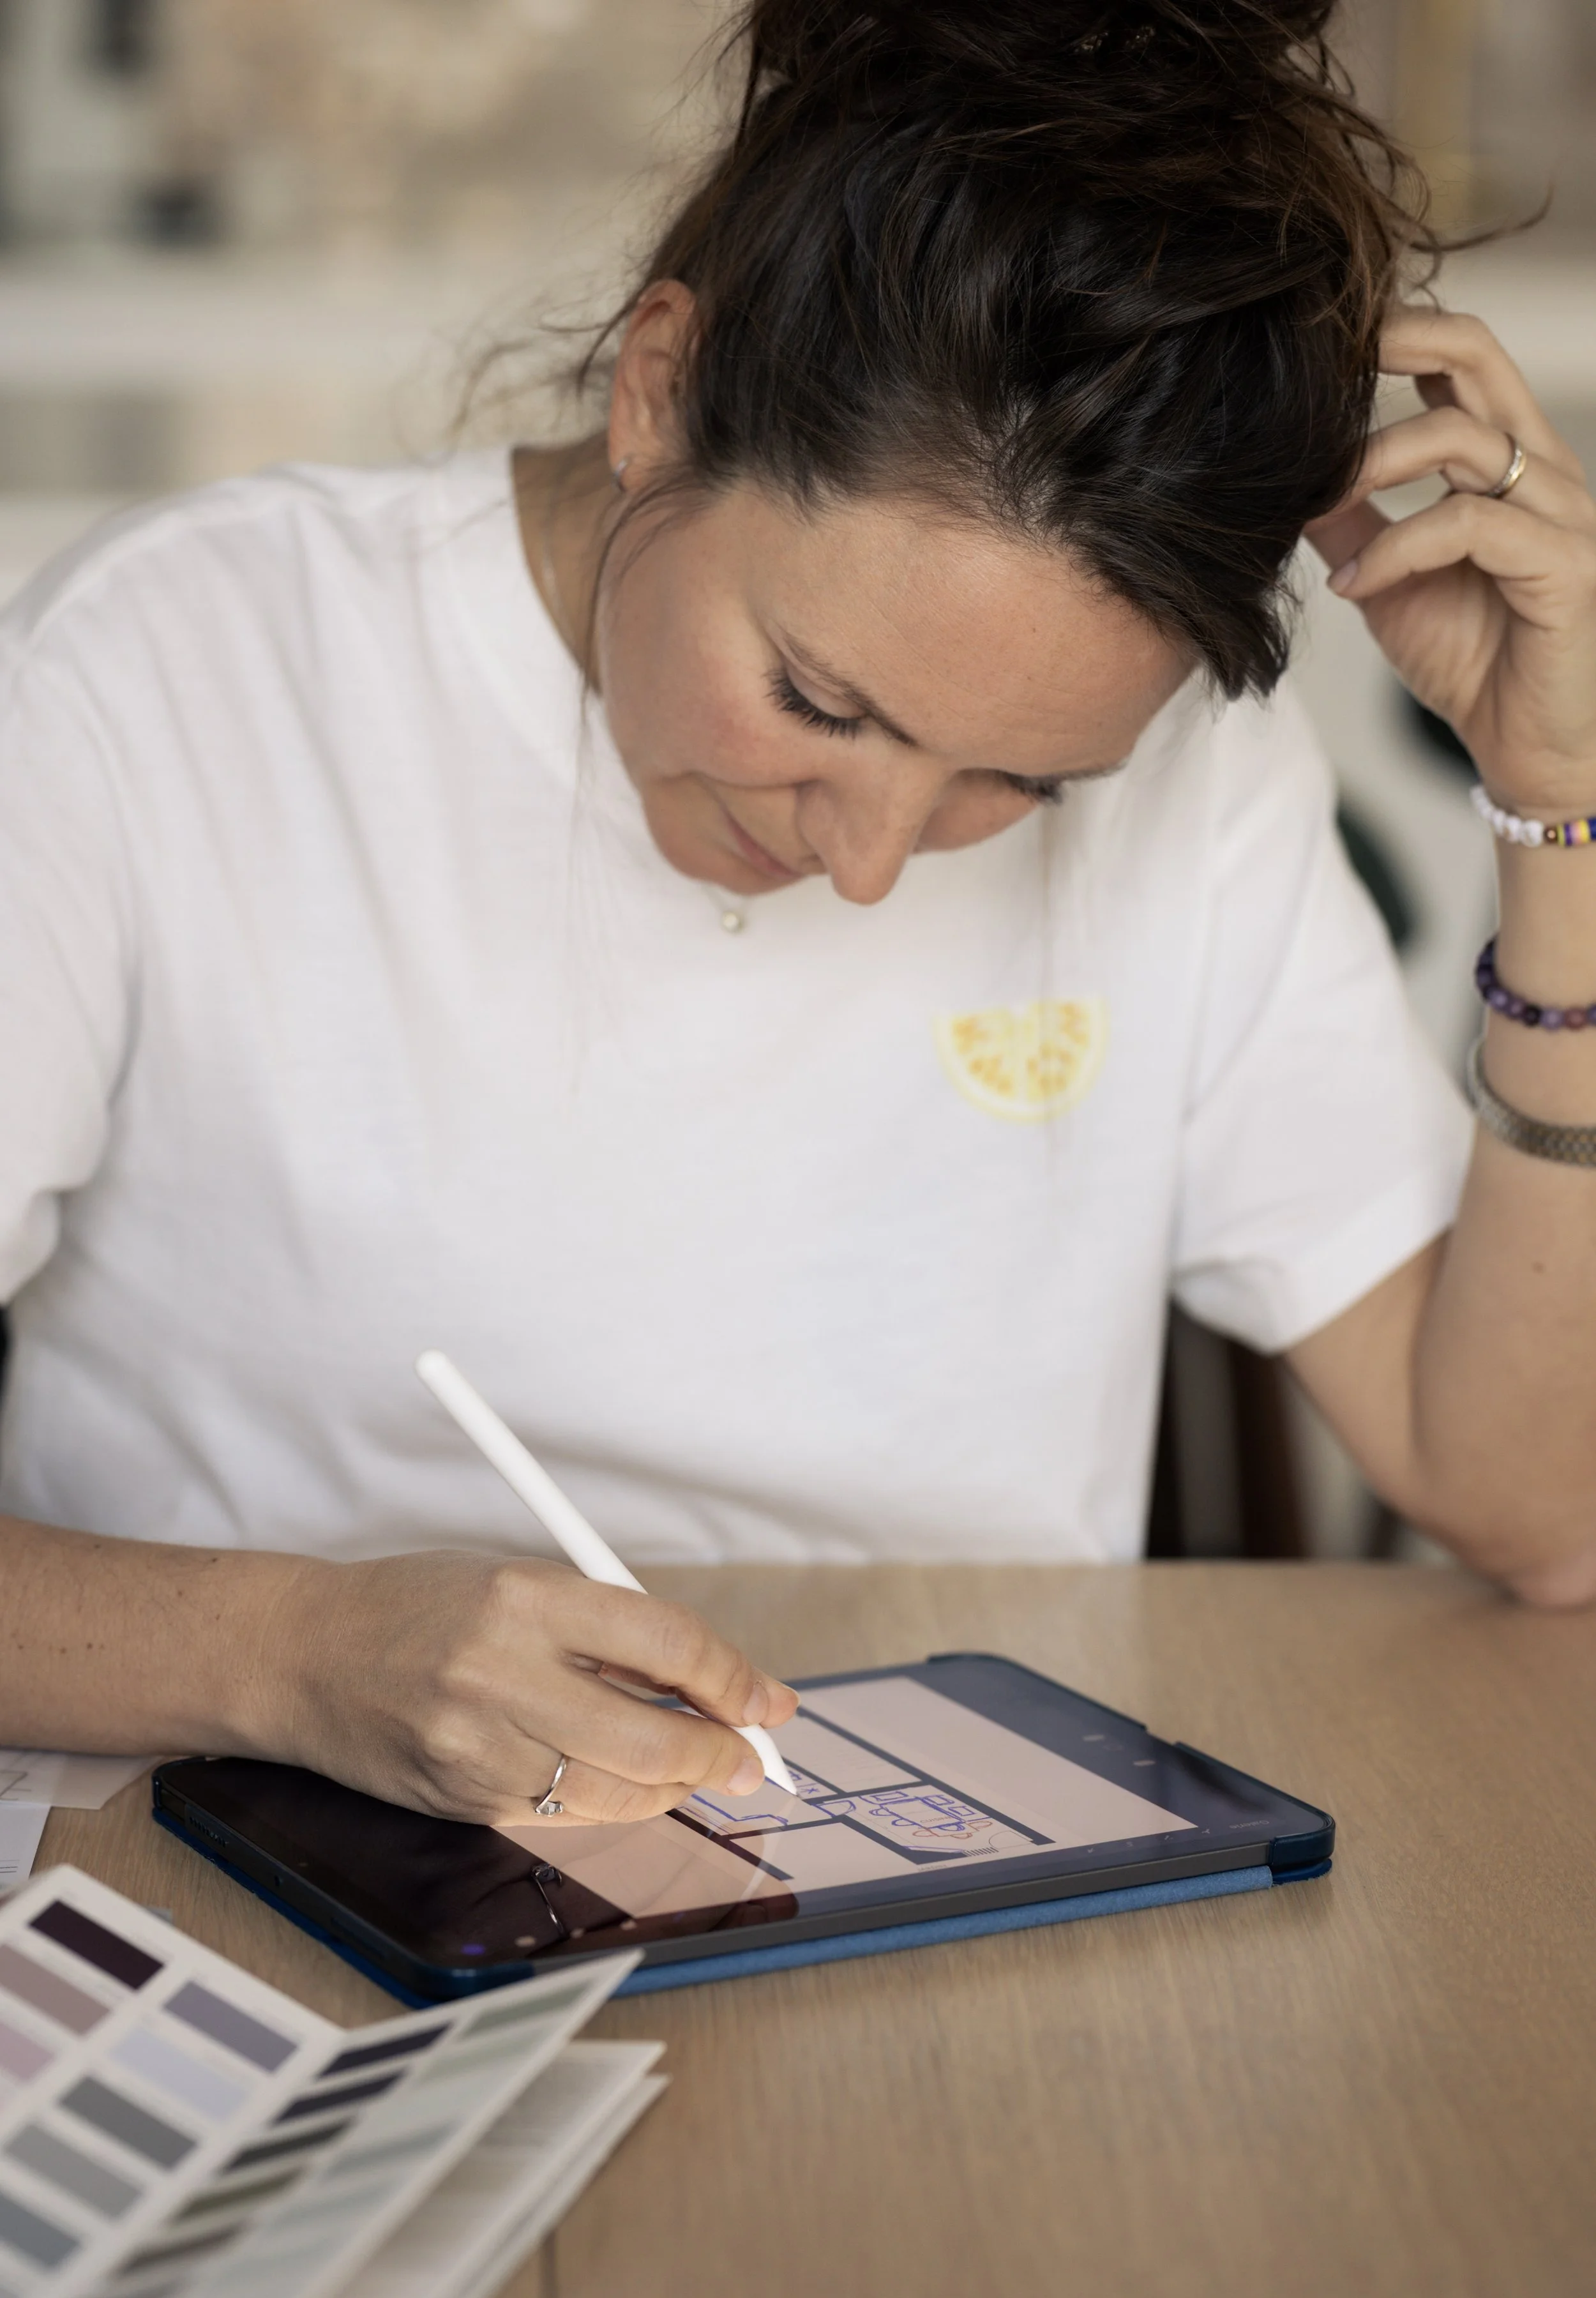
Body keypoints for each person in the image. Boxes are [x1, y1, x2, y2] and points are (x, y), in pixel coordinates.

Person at [3, 0, 1595, 1832]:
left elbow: (1534, 1510)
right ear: (656, 387)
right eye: (821, 704)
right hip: (213, 1863)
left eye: (1021, 790)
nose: (868, 863)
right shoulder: (169, 680)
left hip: (909, 1897)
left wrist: (1554, 811)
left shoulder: (1196, 789)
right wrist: (287, 1648)